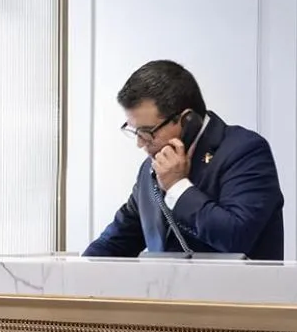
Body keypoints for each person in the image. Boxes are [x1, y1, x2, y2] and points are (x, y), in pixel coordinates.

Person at [84, 59, 285, 260]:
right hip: (166, 291)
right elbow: (117, 241)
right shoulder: (151, 168)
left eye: (146, 132)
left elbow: (236, 237)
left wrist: (177, 187)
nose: (140, 143)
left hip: (234, 290)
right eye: (134, 131)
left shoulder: (245, 151)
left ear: (188, 120)